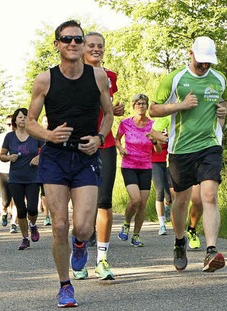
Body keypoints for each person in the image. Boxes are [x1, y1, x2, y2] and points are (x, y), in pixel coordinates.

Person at [25, 20, 113, 308]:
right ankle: (65, 286)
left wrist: (100, 138)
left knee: (83, 227)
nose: (72, 44)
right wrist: (49, 135)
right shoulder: (45, 80)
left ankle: (80, 245)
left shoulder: (98, 77)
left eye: (78, 39)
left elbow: (109, 114)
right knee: (60, 224)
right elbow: (29, 122)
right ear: (57, 44)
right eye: (66, 39)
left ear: (83, 43)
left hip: (86, 156)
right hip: (55, 156)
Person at [149, 36, 227, 272]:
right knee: (181, 201)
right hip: (180, 148)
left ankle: (211, 250)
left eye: (209, 62)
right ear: (191, 54)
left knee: (209, 196)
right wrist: (180, 106)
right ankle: (178, 241)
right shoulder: (174, 79)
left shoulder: (219, 79)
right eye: (201, 61)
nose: (205, 66)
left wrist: (222, 115)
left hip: (210, 145)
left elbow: (225, 103)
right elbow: (154, 109)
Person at [80, 31, 125, 281]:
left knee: (104, 201)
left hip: (104, 141)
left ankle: (102, 259)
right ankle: (80, 250)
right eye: (91, 46)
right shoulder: (73, 75)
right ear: (82, 48)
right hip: (80, 144)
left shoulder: (110, 76)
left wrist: (114, 109)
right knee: (83, 207)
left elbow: (108, 107)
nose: (96, 49)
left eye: (100, 46)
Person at [150, 116, 204, 250]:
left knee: (198, 200)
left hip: (199, 159)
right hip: (177, 161)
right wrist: (169, 140)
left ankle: (191, 229)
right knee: (178, 202)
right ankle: (179, 238)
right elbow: (154, 132)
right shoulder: (170, 111)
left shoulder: (202, 107)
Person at [116, 93, 161, 247]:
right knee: (135, 199)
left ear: (147, 106)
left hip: (146, 166)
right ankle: (126, 224)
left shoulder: (153, 125)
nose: (141, 106)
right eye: (138, 104)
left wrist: (154, 140)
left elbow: (159, 149)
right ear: (133, 106)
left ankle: (136, 235)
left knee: (142, 204)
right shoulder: (126, 123)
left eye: (143, 104)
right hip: (129, 165)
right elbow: (116, 139)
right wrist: (121, 148)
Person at [0, 108, 44, 250]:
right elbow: (1, 155)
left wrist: (38, 157)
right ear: (15, 120)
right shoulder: (10, 137)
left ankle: (33, 225)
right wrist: (8, 157)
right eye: (19, 117)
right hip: (15, 178)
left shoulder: (36, 135)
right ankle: (25, 238)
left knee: (32, 209)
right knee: (21, 210)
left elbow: (47, 151)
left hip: (32, 177)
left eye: (25, 117)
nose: (22, 119)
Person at [0, 115, 17, 232]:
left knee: (17, 199)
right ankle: (4, 211)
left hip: (17, 171)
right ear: (5, 125)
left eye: (13, 124)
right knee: (6, 200)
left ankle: (13, 223)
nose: (11, 127)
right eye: (8, 124)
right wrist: (1, 152)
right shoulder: (0, 138)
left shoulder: (21, 137)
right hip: (3, 171)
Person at [150, 116, 171, 236]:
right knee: (159, 192)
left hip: (169, 160)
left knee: (170, 196)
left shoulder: (171, 122)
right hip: (155, 161)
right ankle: (162, 224)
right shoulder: (152, 127)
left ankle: (167, 207)